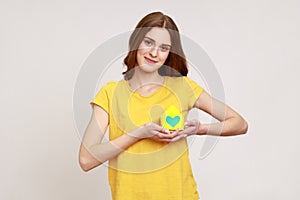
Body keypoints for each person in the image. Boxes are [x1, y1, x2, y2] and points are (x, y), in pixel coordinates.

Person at [79, 11, 248, 200]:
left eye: (164, 48)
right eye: (148, 42)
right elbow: (86, 160)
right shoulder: (110, 94)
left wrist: (199, 129)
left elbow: (240, 123)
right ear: (136, 42)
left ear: (169, 53)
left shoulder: (183, 87)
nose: (154, 53)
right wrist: (138, 134)